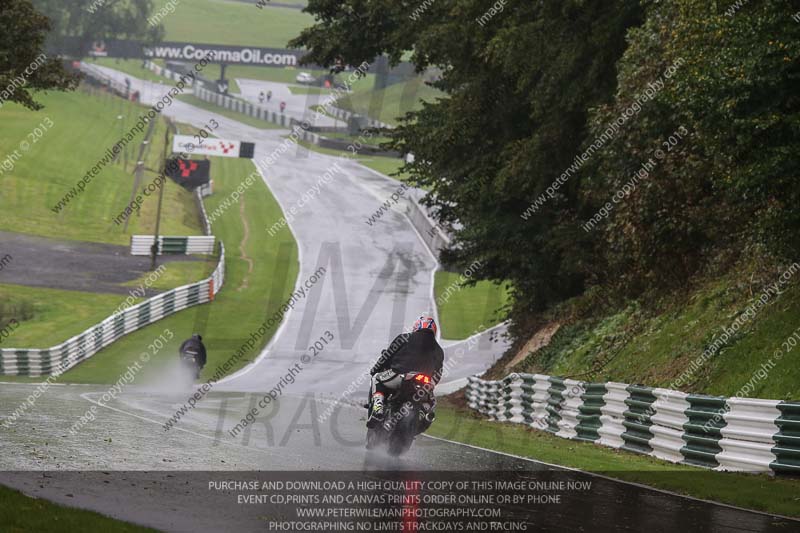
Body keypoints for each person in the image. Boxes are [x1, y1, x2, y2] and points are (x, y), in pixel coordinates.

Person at [367, 316, 444, 428]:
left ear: (417, 326)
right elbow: (438, 375)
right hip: (425, 383)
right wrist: (431, 384)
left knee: (377, 379)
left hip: (400, 374)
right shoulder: (439, 350)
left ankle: (378, 409)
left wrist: (375, 369)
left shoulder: (404, 338)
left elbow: (386, 357)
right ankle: (424, 416)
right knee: (430, 403)